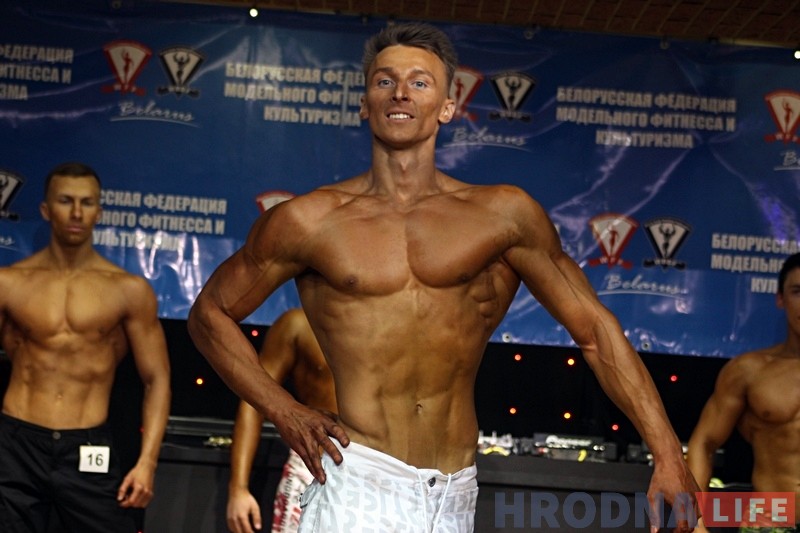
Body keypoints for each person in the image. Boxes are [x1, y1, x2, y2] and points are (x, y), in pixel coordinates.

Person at [188, 22, 699, 532]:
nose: (400, 92)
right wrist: (284, 409)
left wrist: (666, 452)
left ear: (448, 106)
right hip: (357, 482)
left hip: (454, 495)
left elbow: (594, 330)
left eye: (419, 81)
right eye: (384, 81)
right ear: (365, 103)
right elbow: (210, 314)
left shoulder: (503, 216)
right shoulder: (309, 221)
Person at [0, 162, 172, 533]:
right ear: (46, 209)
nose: (77, 213)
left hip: (88, 445)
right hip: (15, 443)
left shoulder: (128, 290)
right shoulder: (9, 284)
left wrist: (147, 463)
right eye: (66, 201)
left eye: (87, 202)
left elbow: (157, 379)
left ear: (99, 211)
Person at [687, 252, 800, 533]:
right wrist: (694, 522)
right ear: (780, 298)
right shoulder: (749, 371)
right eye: (798, 292)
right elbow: (704, 442)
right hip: (771, 522)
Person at [227, 307, 336, 533]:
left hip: (379, 471)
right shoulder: (300, 324)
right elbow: (253, 401)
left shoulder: (391, 323)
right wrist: (238, 488)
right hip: (313, 468)